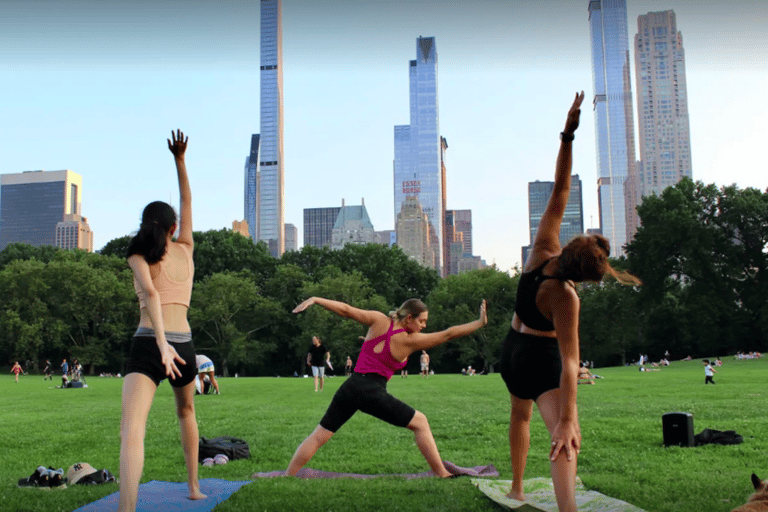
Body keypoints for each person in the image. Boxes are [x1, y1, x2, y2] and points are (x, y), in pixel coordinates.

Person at [498, 92, 640, 512]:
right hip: (540, 361)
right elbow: (570, 363)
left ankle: (518, 489)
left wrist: (568, 134)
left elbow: (561, 187)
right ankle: (568, 510)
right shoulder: (566, 298)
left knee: (519, 416)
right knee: (565, 436)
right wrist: (566, 417)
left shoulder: (541, 250)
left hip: (511, 351)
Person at [284, 297, 487, 477]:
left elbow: (346, 310)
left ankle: (288, 475)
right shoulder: (410, 341)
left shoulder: (378, 320)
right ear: (409, 318)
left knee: (320, 434)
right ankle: (441, 473)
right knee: (421, 422)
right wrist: (479, 323)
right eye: (422, 321)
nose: (424, 326)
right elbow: (448, 334)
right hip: (371, 390)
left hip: (351, 385)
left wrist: (316, 299)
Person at [119, 130, 205, 511]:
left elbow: (151, 295)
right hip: (183, 344)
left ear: (145, 225)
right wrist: (180, 160)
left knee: (133, 428)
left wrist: (159, 345)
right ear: (172, 228)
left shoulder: (137, 254)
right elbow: (187, 200)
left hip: (149, 343)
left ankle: (126, 508)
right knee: (186, 411)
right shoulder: (185, 249)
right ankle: (193, 487)